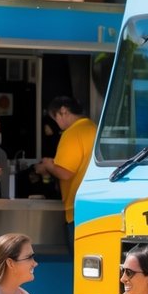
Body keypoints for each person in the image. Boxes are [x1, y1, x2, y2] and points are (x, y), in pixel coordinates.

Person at [34, 97, 96, 245]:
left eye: (55, 118)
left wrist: (48, 165)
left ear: (63, 111)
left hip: (77, 209)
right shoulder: (94, 128)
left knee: (77, 264)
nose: (56, 124)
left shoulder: (72, 133)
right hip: (95, 207)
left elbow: (64, 172)